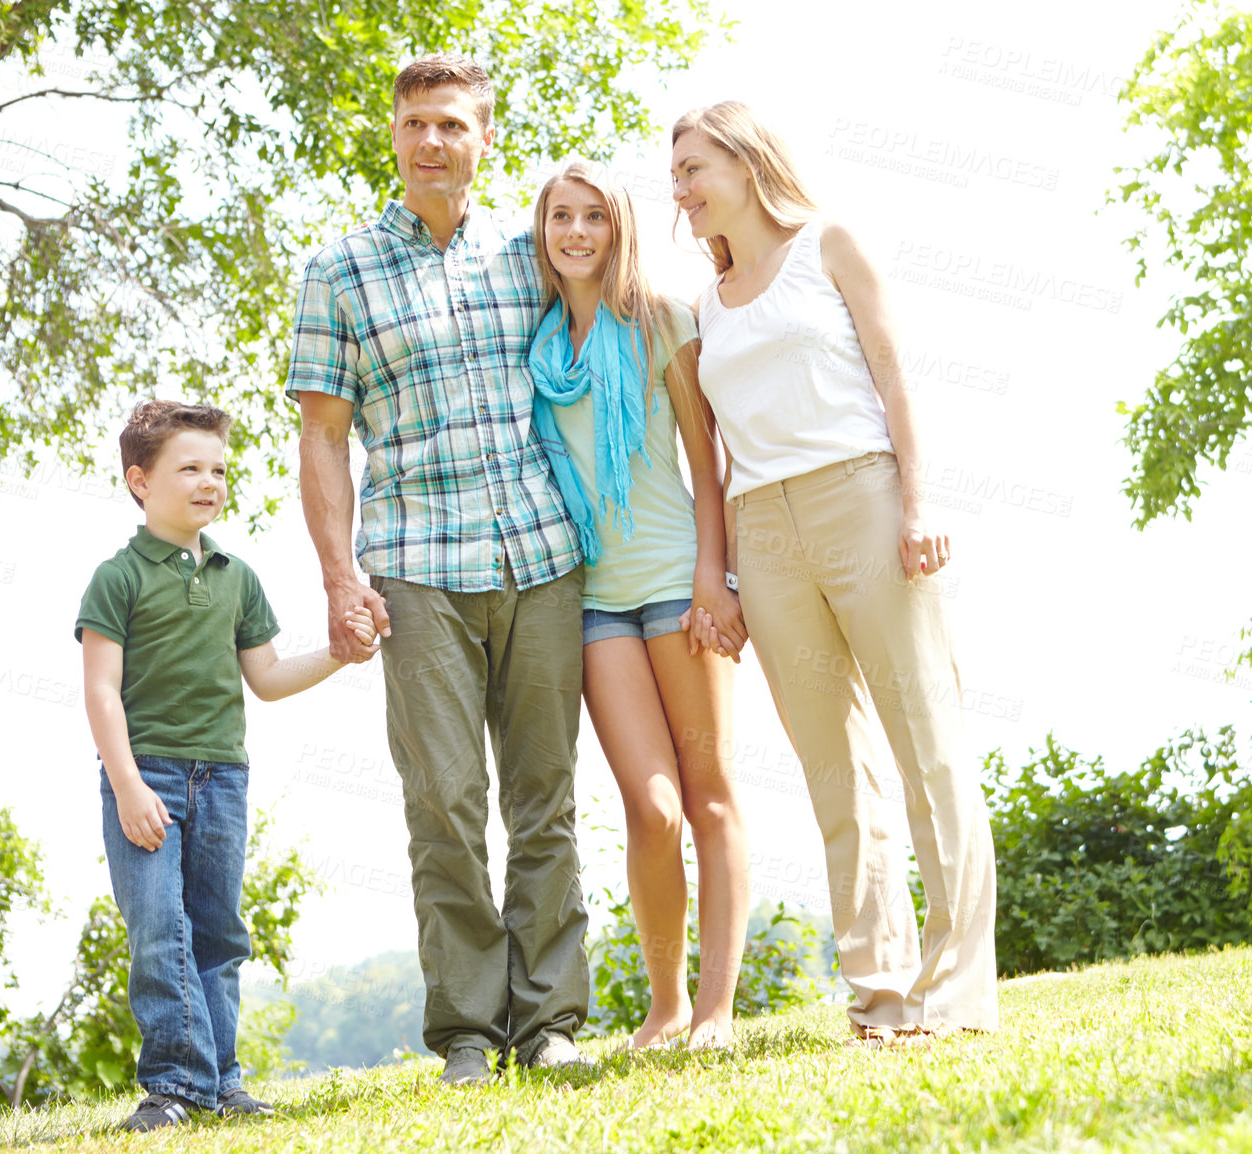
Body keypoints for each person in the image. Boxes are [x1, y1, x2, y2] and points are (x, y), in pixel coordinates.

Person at [286, 54, 591, 1084]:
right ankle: (468, 1024)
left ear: (484, 137)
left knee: (544, 793)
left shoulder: (530, 249)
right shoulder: (340, 270)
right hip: (415, 563)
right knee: (446, 799)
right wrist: (338, 577)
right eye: (416, 123)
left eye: (452, 125)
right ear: (394, 135)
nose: (432, 142)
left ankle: (549, 1017)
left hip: (541, 551)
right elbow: (322, 439)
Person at [669, 102, 999, 1043]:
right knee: (835, 773)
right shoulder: (706, 307)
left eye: (694, 169)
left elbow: (897, 378)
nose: (683, 192)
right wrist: (718, 574)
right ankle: (881, 995)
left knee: (927, 745)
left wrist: (918, 504)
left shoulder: (830, 244)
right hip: (761, 530)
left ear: (743, 159)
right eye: (677, 178)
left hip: (862, 494)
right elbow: (716, 457)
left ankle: (955, 993)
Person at [77, 400, 378, 1132]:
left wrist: (339, 654)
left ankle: (222, 1082)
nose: (209, 481)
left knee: (216, 931)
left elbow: (268, 678)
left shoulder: (236, 576)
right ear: (140, 481)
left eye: (218, 469)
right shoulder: (116, 579)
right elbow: (99, 692)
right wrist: (127, 785)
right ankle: (173, 1086)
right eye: (190, 468)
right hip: (146, 776)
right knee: (158, 928)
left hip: (224, 779)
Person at [526, 159, 750, 1050]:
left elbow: (709, 460)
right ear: (543, 234)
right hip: (592, 599)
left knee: (712, 797)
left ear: (619, 229)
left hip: (676, 584)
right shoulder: (541, 349)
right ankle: (663, 1003)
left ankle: (716, 1010)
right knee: (650, 808)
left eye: (594, 218)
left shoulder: (664, 323)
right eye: (560, 219)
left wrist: (713, 577)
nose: (576, 233)